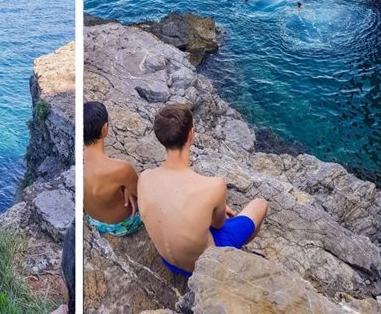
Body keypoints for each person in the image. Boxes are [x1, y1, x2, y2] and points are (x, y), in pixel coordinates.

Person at [138, 104, 268, 276]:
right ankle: (234, 251)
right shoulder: (213, 186)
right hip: (203, 267)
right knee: (260, 204)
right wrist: (214, 207)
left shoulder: (145, 178)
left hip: (168, 262)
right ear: (191, 134)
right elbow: (218, 224)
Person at [83, 101, 143, 236]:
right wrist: (128, 188)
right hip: (121, 225)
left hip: (93, 220)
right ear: (105, 128)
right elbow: (142, 194)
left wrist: (125, 186)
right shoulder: (121, 169)